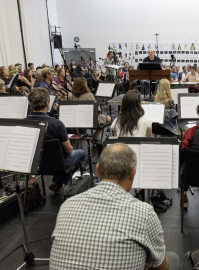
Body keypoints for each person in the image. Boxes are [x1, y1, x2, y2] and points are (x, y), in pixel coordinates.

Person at [50, 143, 180, 270]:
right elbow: (161, 267)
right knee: (172, 259)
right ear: (133, 172)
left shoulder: (67, 205)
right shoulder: (144, 213)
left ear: (98, 170)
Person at [25, 88, 86, 194]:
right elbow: (69, 150)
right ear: (47, 103)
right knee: (81, 153)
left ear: (30, 103)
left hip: (32, 166)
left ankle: (57, 183)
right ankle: (59, 182)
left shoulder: (22, 123)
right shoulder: (56, 124)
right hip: (56, 165)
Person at [68, 78, 111, 143]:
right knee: (109, 118)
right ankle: (95, 134)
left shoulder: (70, 96)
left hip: (77, 121)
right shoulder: (89, 95)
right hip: (90, 120)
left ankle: (95, 136)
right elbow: (97, 110)